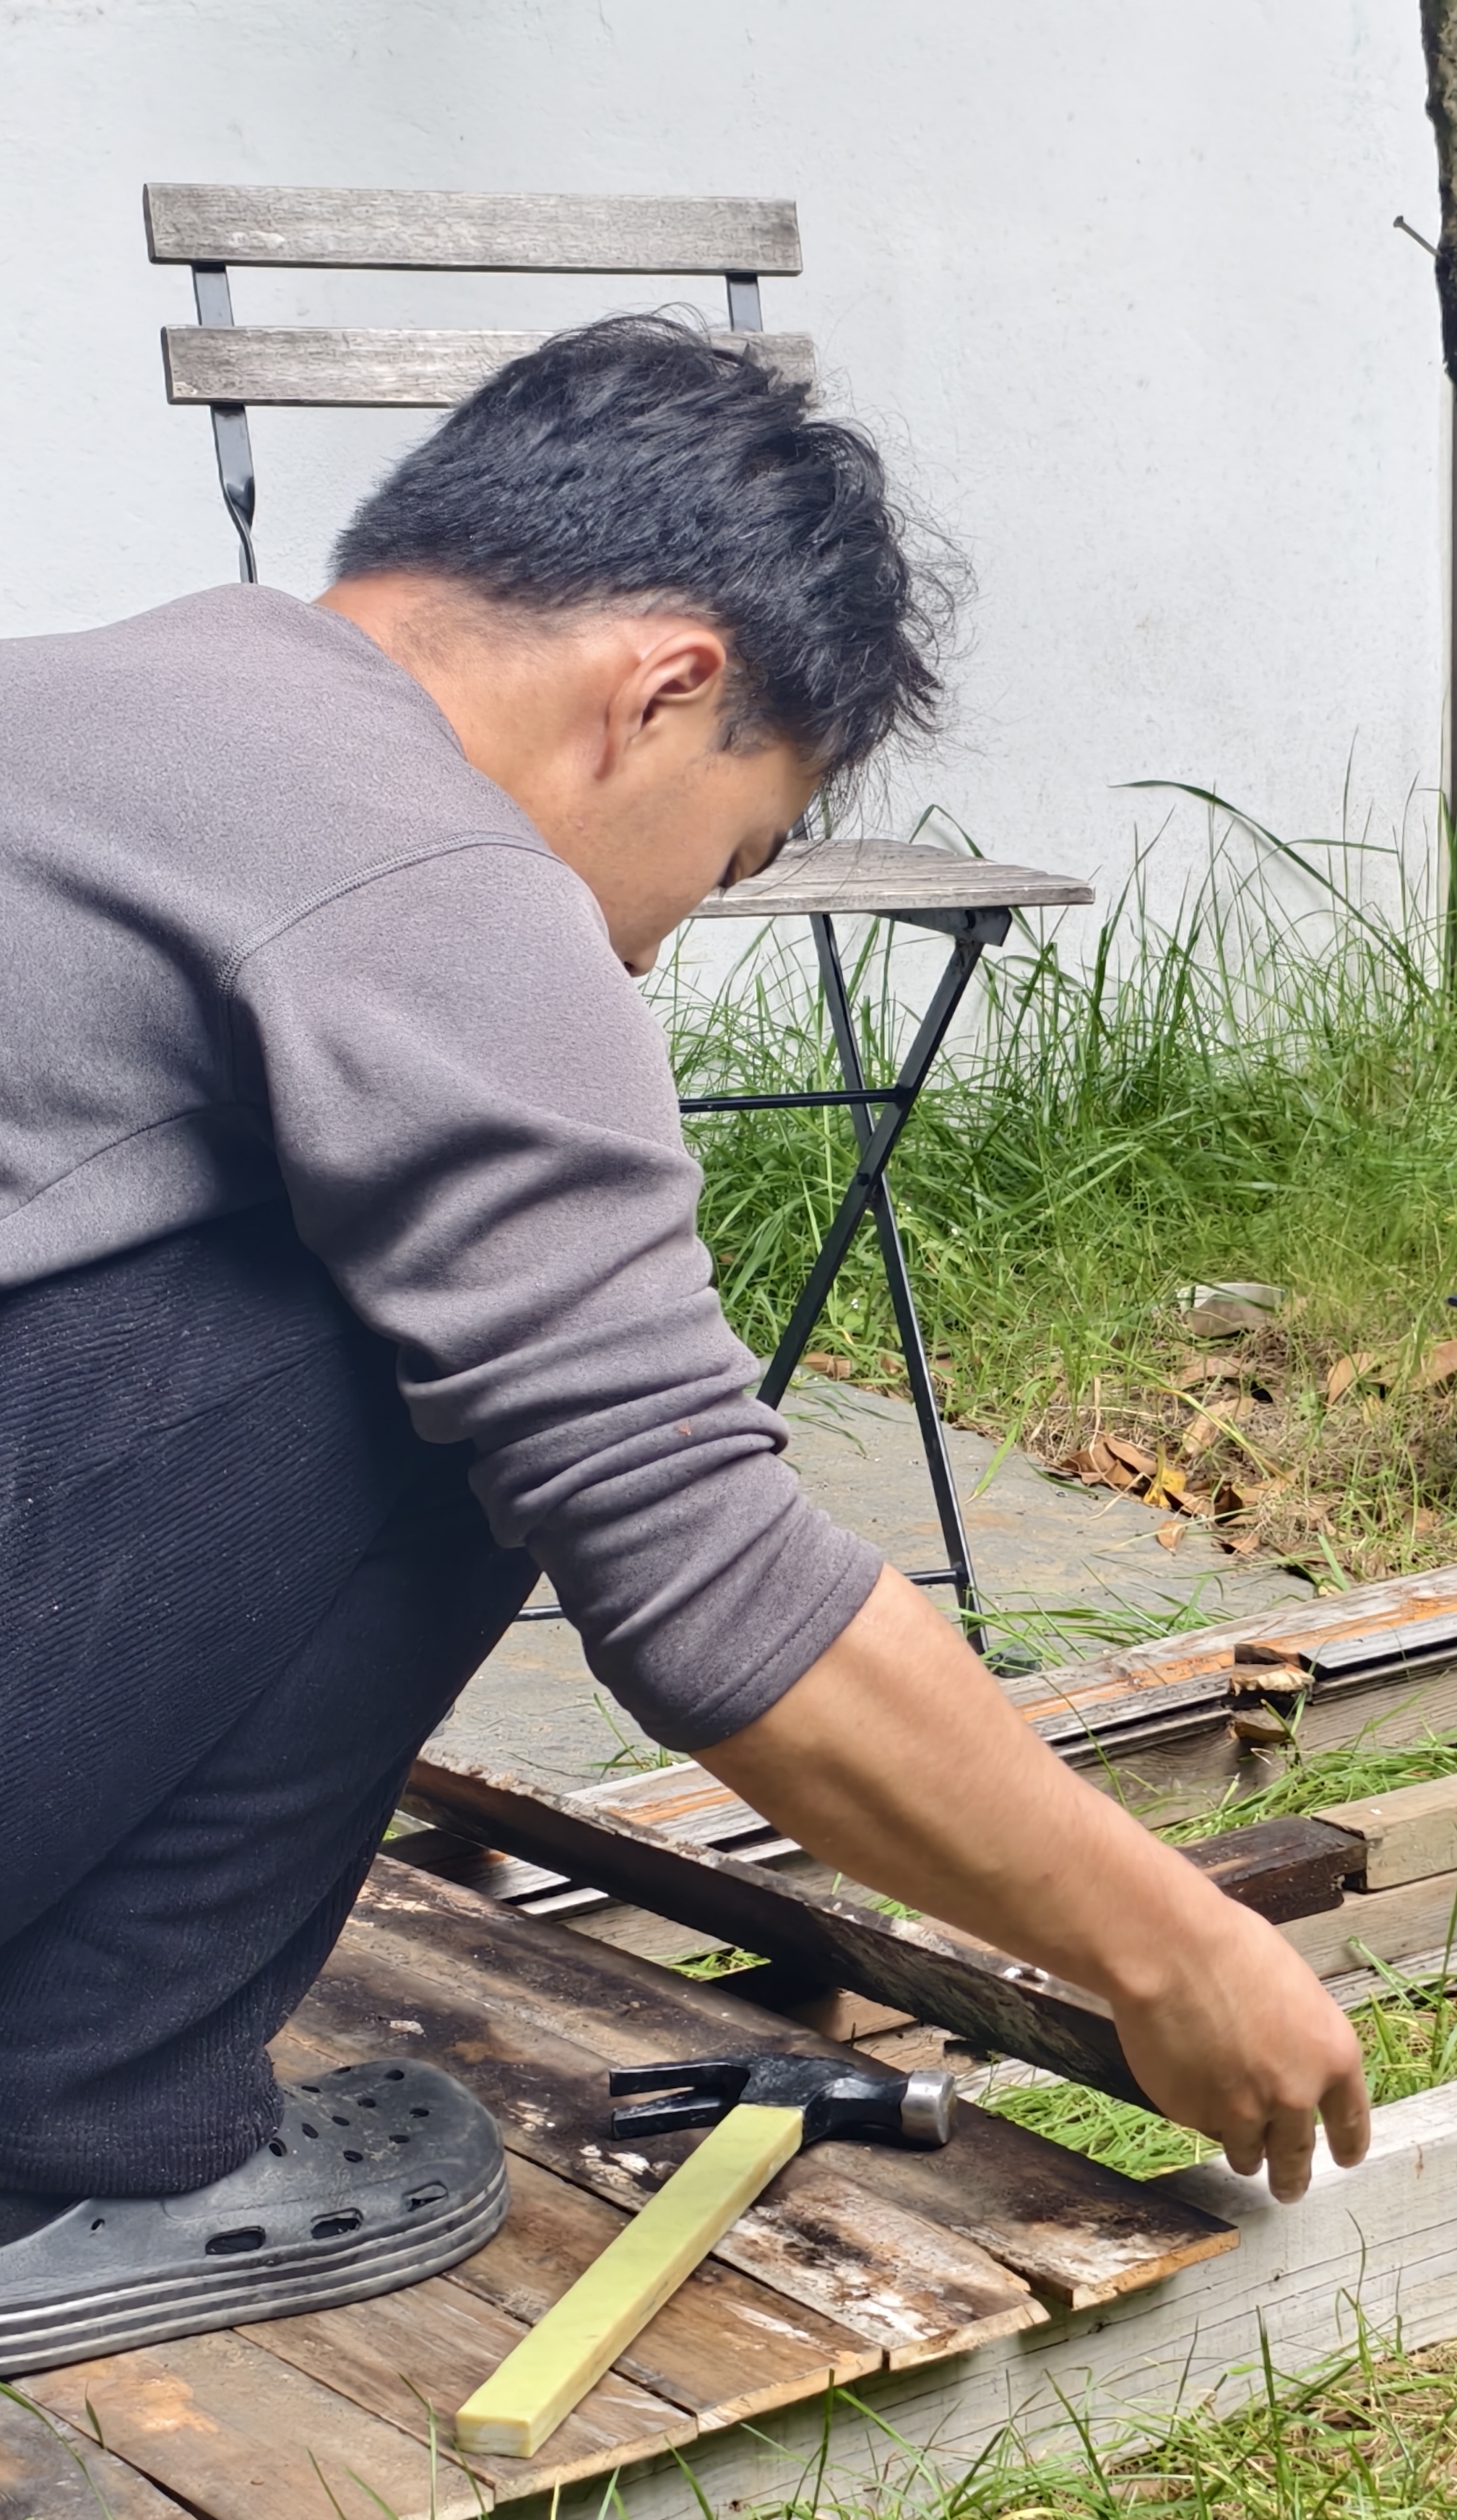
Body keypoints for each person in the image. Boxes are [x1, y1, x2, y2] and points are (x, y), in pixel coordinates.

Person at [0, 318, 1367, 2365]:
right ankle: (70, 2146)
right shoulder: (425, 866)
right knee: (487, 1378)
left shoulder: (91, 700)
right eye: (725, 861)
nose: (647, 949)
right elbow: (701, 1572)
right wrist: (1171, 1947)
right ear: (663, 691)